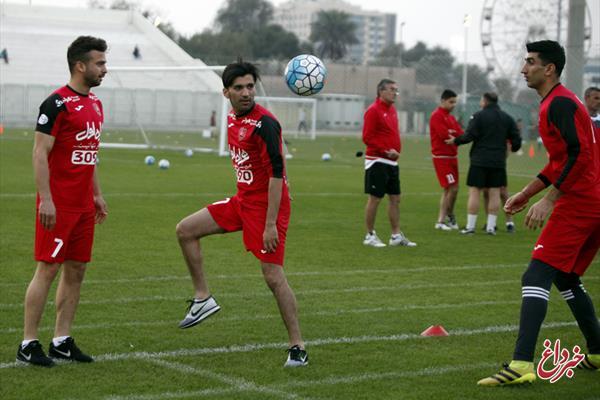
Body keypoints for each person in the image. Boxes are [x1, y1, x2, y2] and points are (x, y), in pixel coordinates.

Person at [478, 40, 600, 386]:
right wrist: (527, 193)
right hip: (592, 201)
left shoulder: (559, 103)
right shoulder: (558, 102)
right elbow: (560, 161)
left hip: (580, 203)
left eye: (530, 62)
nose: (522, 68)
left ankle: (521, 364)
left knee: (535, 277)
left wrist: (550, 200)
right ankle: (597, 350)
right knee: (566, 277)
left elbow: (580, 157)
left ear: (549, 69)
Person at [175, 60, 308, 367]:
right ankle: (203, 299)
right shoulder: (233, 120)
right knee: (185, 230)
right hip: (242, 201)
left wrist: (271, 223)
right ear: (226, 93)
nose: (246, 93)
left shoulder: (266, 125)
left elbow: (277, 176)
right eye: (239, 88)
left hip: (267, 208)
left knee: (273, 277)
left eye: (250, 86)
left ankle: (297, 346)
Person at [17, 36, 108, 367]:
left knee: (77, 270)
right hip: (59, 205)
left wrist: (96, 194)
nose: (105, 69)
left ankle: (62, 340)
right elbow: (40, 153)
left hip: (84, 206)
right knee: (48, 269)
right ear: (80, 66)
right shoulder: (56, 104)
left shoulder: (96, 104)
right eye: (100, 63)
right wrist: (46, 200)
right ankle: (28, 343)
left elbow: (90, 154)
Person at [445, 92, 521, 235]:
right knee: (494, 193)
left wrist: (456, 141)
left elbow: (469, 135)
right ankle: (491, 228)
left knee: (474, 192)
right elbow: (516, 140)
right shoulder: (507, 118)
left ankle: (470, 227)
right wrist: (514, 147)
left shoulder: (478, 116)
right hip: (498, 161)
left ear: (485, 101)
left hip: (479, 160)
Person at [362, 79, 416, 247]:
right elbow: (367, 137)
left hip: (392, 163)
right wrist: (385, 151)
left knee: (395, 198)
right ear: (381, 91)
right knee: (375, 199)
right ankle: (370, 235)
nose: (395, 93)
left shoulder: (392, 110)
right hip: (377, 161)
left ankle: (395, 236)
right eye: (392, 89)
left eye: (396, 90)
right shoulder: (373, 111)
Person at [429, 89, 463, 231]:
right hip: (442, 158)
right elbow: (444, 135)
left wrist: (454, 135)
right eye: (451, 102)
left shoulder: (450, 117)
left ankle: (447, 217)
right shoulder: (436, 116)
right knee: (451, 188)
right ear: (443, 101)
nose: (453, 105)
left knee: (452, 189)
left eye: (455, 102)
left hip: (452, 157)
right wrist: (453, 134)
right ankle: (442, 220)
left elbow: (460, 134)